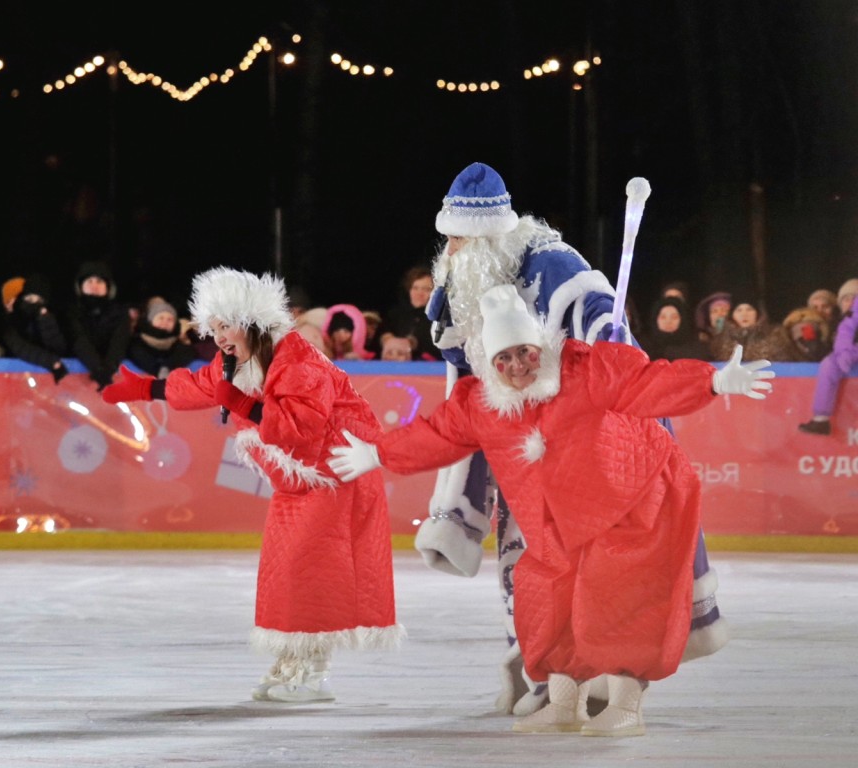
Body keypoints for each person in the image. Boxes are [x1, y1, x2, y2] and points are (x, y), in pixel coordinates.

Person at [329, 284, 774, 736]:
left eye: (525, 352)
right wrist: (379, 454)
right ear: (490, 363)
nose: (518, 366)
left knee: (619, 598)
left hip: (631, 502)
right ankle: (565, 704)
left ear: (539, 344)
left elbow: (646, 383)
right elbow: (435, 435)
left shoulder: (586, 370)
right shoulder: (480, 403)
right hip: (556, 517)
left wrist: (712, 382)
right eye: (504, 359)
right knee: (546, 596)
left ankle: (626, 706)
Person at [417, 162, 728, 715]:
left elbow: (605, 333)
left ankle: (613, 676)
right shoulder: (459, 286)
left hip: (587, 449)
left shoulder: (556, 265)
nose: (452, 249)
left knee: (603, 567)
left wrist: (604, 334)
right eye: (450, 238)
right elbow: (460, 372)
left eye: (461, 238)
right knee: (529, 566)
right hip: (523, 450)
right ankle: (545, 674)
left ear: (491, 236)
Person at [100, 267, 403, 702]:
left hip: (336, 476)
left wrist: (243, 404)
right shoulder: (238, 360)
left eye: (225, 326)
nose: (219, 337)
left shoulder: (298, 361)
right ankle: (290, 659)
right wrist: (148, 387)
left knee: (310, 574)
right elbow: (203, 385)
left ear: (252, 321)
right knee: (282, 572)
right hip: (298, 482)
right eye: (214, 328)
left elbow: (303, 426)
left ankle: (312, 672)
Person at [798, 277, 858, 436]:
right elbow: (845, 334)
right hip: (849, 353)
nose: (850, 302)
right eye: (846, 299)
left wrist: (850, 353)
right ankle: (821, 418)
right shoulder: (846, 318)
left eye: (854, 298)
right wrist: (844, 352)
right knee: (829, 364)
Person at [66, 260, 132, 390]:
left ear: (108, 287)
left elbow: (119, 341)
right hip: (76, 381)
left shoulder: (120, 313)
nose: (94, 286)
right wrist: (97, 368)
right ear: (80, 286)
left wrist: (109, 368)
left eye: (99, 281)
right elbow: (78, 340)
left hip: (110, 374)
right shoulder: (71, 312)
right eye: (89, 281)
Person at [0, 273, 70, 382]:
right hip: (12, 378)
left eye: (15, 299)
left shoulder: (46, 317)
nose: (11, 304)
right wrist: (52, 362)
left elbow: (58, 346)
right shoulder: (5, 324)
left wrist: (45, 319)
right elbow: (19, 347)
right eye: (8, 301)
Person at [380, 265, 443, 362]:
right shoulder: (395, 314)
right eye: (415, 288)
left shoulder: (438, 318)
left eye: (426, 289)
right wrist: (386, 339)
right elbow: (380, 334)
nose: (419, 293)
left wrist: (412, 343)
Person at [126, 296, 195, 377]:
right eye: (161, 318)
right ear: (151, 320)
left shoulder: (183, 349)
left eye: (170, 319)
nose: (165, 322)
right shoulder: (134, 346)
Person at [640, 295, 709, 361]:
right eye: (663, 317)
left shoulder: (696, 349)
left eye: (674, 317)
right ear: (655, 320)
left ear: (682, 320)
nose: (668, 322)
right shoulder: (643, 348)